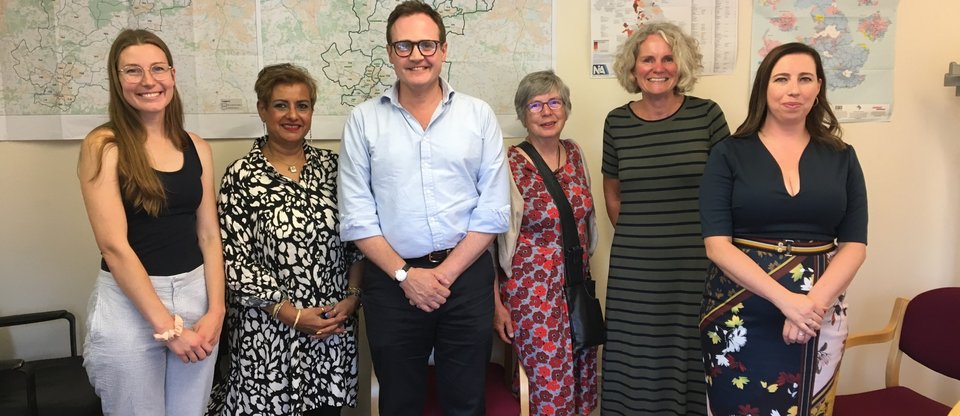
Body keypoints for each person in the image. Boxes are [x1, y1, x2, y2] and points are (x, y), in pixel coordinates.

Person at [337, 1, 510, 415]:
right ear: (390, 52)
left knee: (466, 400)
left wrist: (443, 275)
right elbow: (357, 215)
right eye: (405, 45)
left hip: (465, 279)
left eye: (427, 44)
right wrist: (406, 275)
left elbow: (494, 209)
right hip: (391, 283)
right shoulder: (363, 121)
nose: (417, 55)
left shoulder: (478, 115)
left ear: (444, 49)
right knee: (399, 401)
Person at [698, 42, 868, 415]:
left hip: (818, 314)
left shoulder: (842, 157)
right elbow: (717, 246)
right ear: (765, 87)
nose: (794, 89)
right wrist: (787, 301)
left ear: (819, 87)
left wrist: (811, 308)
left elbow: (855, 244)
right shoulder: (728, 153)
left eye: (805, 78)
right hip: (739, 312)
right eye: (782, 79)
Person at [77, 28, 225, 416]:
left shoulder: (197, 146)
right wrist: (169, 328)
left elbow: (209, 235)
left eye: (158, 68)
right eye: (133, 71)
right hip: (130, 306)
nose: (148, 81)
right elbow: (113, 246)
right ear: (117, 79)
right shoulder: (103, 145)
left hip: (196, 297)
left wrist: (217, 311)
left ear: (173, 76)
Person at [207, 63, 364, 416]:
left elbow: (358, 241)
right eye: (281, 105)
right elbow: (235, 261)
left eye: (302, 105)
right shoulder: (241, 176)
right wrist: (291, 315)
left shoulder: (336, 168)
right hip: (266, 337)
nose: (293, 115)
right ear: (263, 109)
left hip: (329, 332)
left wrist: (352, 299)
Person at [600, 21, 730, 415]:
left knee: (689, 355)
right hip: (635, 267)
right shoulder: (617, 122)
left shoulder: (707, 116)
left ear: (681, 64)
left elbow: (727, 189)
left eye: (668, 58)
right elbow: (612, 190)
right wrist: (642, 237)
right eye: (648, 59)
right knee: (636, 357)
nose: (658, 67)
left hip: (696, 262)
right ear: (633, 67)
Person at [493, 70, 599, 416]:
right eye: (535, 105)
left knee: (583, 382)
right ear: (523, 115)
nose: (546, 111)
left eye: (554, 102)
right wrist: (497, 304)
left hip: (576, 286)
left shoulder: (575, 152)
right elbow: (492, 243)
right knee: (549, 387)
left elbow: (587, 221)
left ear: (566, 108)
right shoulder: (510, 164)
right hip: (532, 294)